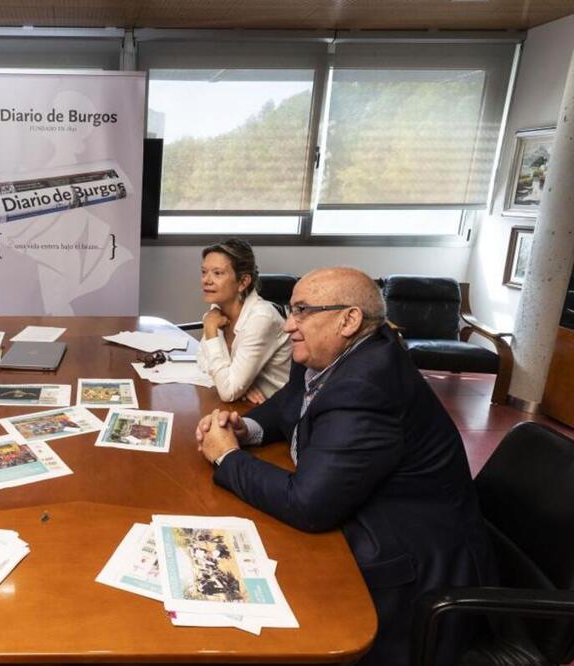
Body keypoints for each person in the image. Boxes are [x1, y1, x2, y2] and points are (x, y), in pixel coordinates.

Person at [195, 267, 495, 665]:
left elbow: (308, 505)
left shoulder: (368, 386)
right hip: (366, 514)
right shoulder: (325, 352)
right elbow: (289, 405)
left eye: (301, 311)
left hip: (407, 566)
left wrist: (227, 456)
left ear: (349, 320)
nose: (288, 326)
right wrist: (244, 428)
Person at [197, 239, 291, 404]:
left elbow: (228, 392)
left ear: (243, 282)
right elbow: (202, 363)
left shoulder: (262, 319)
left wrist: (210, 330)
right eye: (204, 272)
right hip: (243, 405)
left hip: (275, 411)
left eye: (217, 273)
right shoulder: (218, 309)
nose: (206, 280)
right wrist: (239, 383)